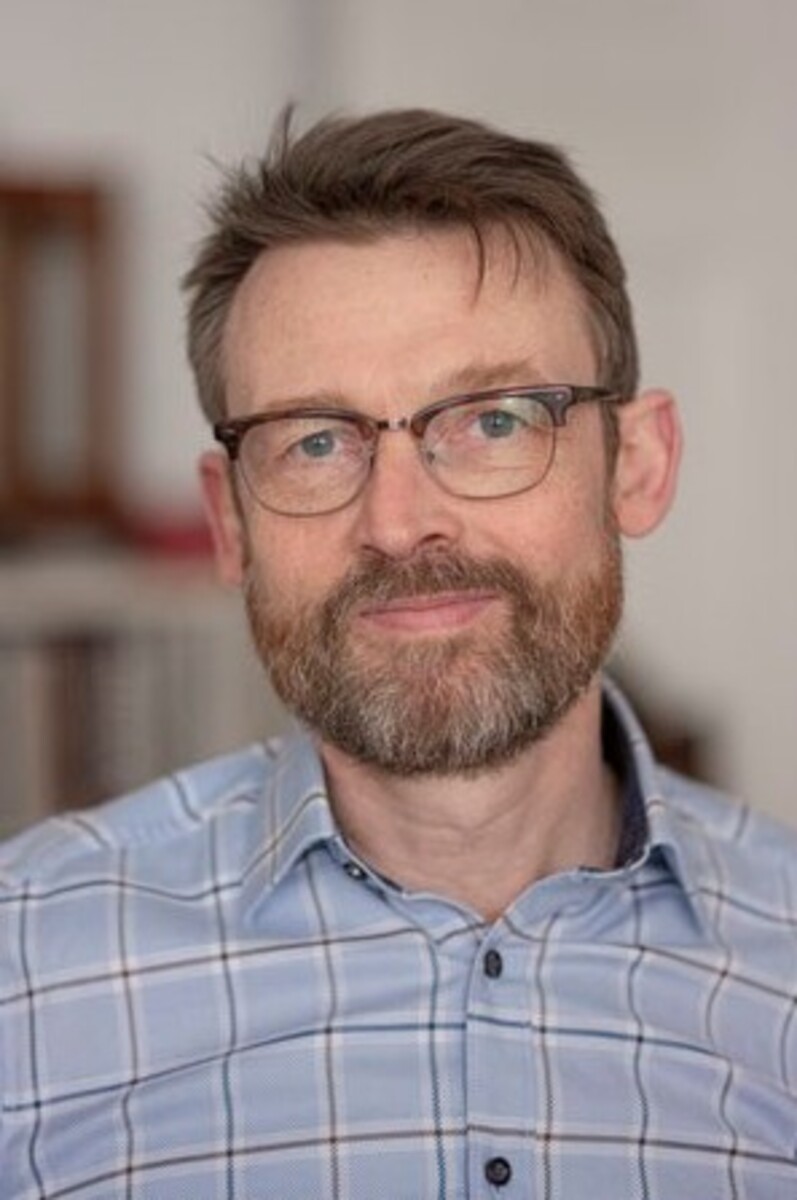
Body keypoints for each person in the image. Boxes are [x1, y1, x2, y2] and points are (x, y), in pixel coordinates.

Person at [1, 108, 795, 1200]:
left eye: (493, 421)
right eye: (315, 441)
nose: (399, 522)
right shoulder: (22, 966)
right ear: (229, 521)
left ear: (637, 466)